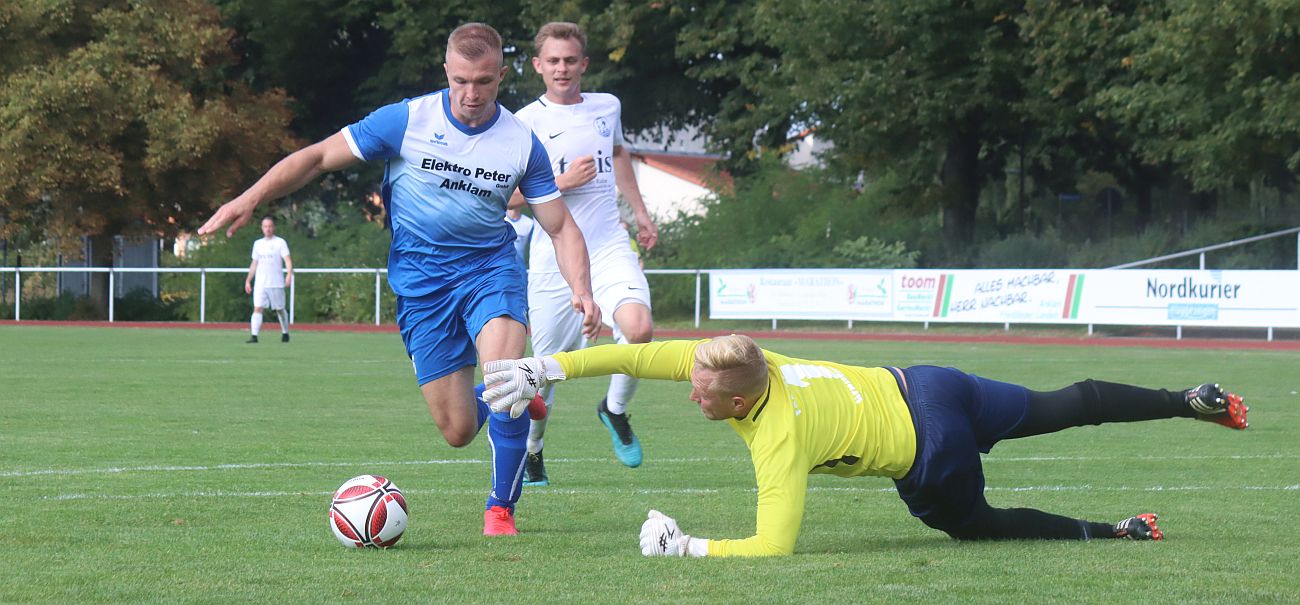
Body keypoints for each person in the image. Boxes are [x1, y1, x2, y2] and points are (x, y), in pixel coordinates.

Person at [198, 22, 601, 536]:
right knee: (457, 430)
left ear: (502, 75)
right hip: (422, 285)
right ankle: (515, 397)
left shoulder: (522, 144)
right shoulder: (406, 120)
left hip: (489, 270)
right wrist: (250, 197)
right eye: (460, 80)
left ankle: (500, 508)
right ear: (445, 72)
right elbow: (318, 157)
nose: (471, 94)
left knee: (504, 377)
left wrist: (581, 290)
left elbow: (561, 227)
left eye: (483, 81)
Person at [481, 335, 1250, 556]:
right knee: (1065, 404)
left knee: (970, 527)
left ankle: (1111, 531)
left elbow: (775, 545)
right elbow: (630, 356)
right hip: (932, 382)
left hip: (931, 446)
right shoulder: (744, 359)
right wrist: (547, 366)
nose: (691, 390)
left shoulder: (777, 434)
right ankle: (1185, 399)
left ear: (740, 401)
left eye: (703, 393)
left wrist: (689, 548)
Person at [510, 22, 660, 486]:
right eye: (552, 61)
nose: (562, 68)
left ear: (584, 64)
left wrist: (640, 213)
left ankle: (614, 410)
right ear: (538, 66)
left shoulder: (606, 107)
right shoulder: (521, 122)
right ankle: (534, 452)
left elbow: (617, 155)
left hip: (609, 245)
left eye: (570, 60)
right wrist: (561, 184)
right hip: (553, 255)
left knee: (639, 330)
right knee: (546, 375)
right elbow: (509, 199)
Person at [244, 216, 293, 343]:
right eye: (265, 226)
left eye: (270, 226)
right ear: (262, 228)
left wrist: (288, 275)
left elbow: (287, 260)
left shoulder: (280, 242)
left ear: (274, 227)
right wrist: (248, 280)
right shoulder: (258, 244)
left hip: (276, 282)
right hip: (261, 283)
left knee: (280, 309)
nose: (268, 229)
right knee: (258, 307)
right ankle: (254, 336)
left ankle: (285, 332)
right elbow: (254, 263)